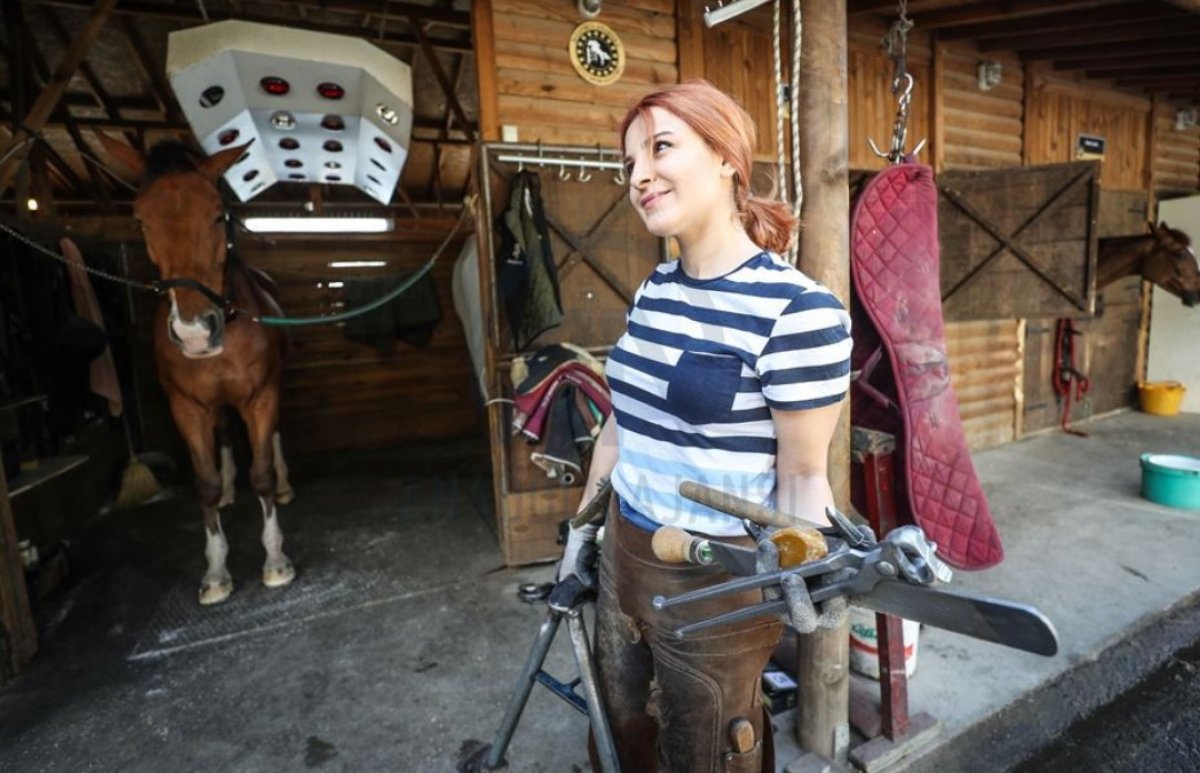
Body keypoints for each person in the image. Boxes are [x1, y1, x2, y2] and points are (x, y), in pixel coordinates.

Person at [557, 79, 852, 772]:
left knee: (711, 747)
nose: (640, 176)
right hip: (624, 548)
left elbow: (803, 473)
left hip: (716, 581)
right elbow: (618, 430)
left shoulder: (799, 312)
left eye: (661, 147)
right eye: (629, 162)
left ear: (726, 156)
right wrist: (580, 537)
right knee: (620, 728)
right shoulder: (654, 290)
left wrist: (814, 558)